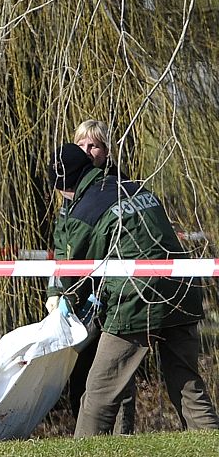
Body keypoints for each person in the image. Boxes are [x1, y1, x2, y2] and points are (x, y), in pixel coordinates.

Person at [47, 143, 219, 436]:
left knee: (99, 392)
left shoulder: (84, 212)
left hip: (136, 301)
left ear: (65, 186)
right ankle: (209, 445)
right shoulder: (133, 187)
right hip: (181, 289)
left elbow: (75, 273)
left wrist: (64, 303)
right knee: (187, 386)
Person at [52, 120, 135, 433]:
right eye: (81, 145)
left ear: (106, 151)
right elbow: (63, 245)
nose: (87, 151)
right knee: (81, 369)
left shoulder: (116, 186)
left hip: (114, 294)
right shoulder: (69, 191)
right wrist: (55, 292)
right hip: (81, 295)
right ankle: (86, 436)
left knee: (116, 371)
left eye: (94, 145)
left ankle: (122, 436)